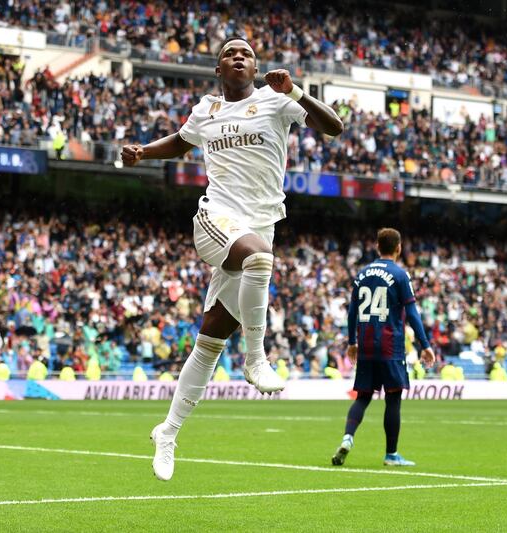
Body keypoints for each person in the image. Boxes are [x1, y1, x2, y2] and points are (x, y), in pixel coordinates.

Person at [121, 36, 343, 481]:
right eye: (230, 54)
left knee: (210, 339)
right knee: (260, 260)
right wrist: (144, 151)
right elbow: (181, 143)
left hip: (259, 226)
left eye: (247, 54)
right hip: (216, 218)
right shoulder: (206, 110)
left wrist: (296, 91)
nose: (239, 57)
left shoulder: (276, 101)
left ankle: (168, 431)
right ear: (218, 70)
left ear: (256, 67)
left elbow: (334, 127)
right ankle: (256, 358)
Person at [331, 228, 435, 467]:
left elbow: (352, 312)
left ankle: (348, 437)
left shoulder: (361, 274)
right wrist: (425, 344)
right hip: (390, 346)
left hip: (365, 343)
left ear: (377, 247)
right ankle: (391, 454)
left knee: (363, 397)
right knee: (393, 398)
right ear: (398, 248)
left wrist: (352, 342)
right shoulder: (400, 275)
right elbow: (411, 312)